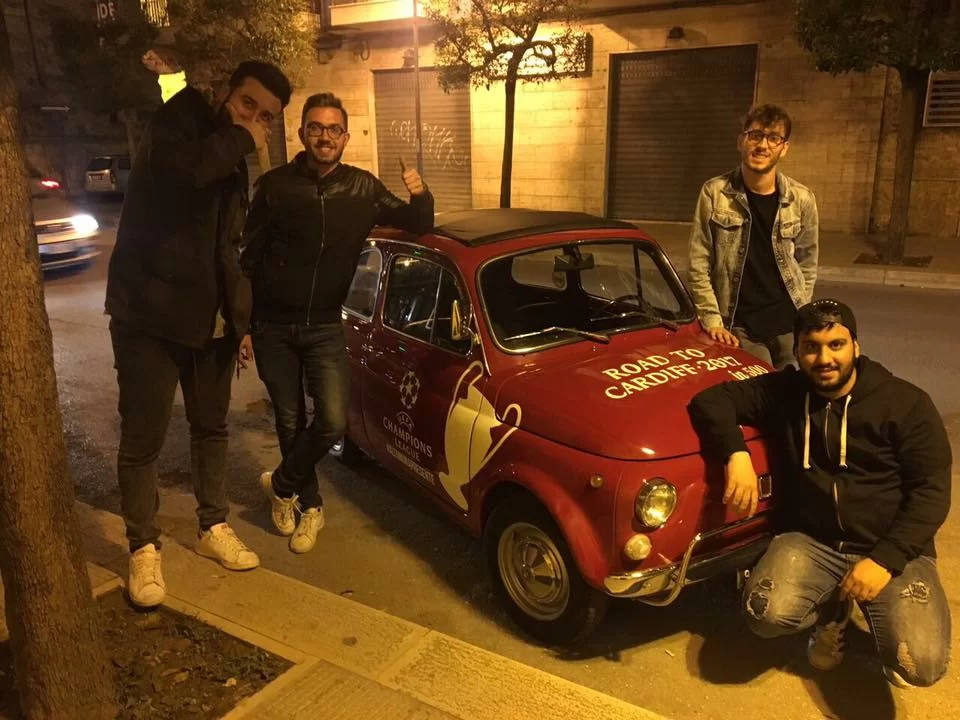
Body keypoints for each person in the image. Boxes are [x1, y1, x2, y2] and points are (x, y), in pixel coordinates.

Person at [687, 299, 951, 687]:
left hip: (891, 545)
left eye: (836, 345)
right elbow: (711, 401)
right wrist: (736, 454)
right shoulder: (787, 392)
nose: (824, 358)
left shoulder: (905, 404)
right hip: (813, 541)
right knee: (764, 614)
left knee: (921, 665)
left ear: (856, 346)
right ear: (796, 351)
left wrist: (885, 560)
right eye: (811, 347)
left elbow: (932, 492)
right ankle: (831, 611)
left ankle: (875, 611)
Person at [105, 61, 292, 607]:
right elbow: (185, 175)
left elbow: (228, 244)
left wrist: (240, 319)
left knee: (211, 428)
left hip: (209, 321)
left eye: (266, 117)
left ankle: (212, 526)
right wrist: (242, 137)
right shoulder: (180, 120)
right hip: (149, 315)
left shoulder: (229, 155)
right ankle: (143, 545)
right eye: (248, 104)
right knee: (143, 438)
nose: (254, 120)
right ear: (226, 91)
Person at [241, 92, 434, 553]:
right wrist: (242, 325)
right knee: (290, 419)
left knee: (330, 421)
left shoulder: (363, 188)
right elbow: (248, 258)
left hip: (325, 325)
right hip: (272, 326)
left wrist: (420, 191)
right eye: (316, 128)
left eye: (333, 129)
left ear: (345, 137)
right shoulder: (274, 187)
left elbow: (417, 223)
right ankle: (309, 506)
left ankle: (281, 484)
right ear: (302, 133)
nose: (324, 137)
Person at [688, 104, 819, 369]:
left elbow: (808, 262)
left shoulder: (802, 199)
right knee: (759, 386)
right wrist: (712, 320)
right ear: (741, 141)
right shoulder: (715, 193)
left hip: (788, 322)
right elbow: (698, 262)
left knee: (798, 385)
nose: (762, 145)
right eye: (755, 135)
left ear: (784, 148)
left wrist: (802, 313)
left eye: (773, 138)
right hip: (739, 324)